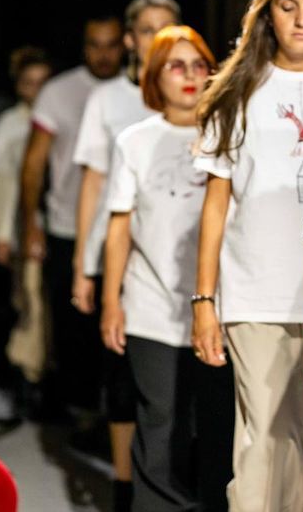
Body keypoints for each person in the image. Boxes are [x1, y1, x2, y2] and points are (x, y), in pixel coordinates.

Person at [192, 0, 303, 512]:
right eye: (288, 6)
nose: (302, 19)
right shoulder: (236, 94)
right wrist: (204, 301)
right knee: (262, 447)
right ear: (267, 14)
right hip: (256, 296)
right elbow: (215, 207)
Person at [100, 26, 234, 511]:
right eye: (176, 66)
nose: (190, 75)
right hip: (151, 303)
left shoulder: (227, 133)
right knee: (160, 423)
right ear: (156, 75)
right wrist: (111, 301)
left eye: (199, 64)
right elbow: (120, 227)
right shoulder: (135, 141)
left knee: (216, 426)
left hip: (220, 307)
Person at [71, 0, 180, 512]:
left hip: (174, 256)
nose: (157, 37)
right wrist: (83, 264)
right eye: (147, 28)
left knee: (172, 385)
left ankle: (167, 481)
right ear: (132, 39)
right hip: (118, 248)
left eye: (167, 26)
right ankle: (122, 486)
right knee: (121, 377)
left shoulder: (193, 89)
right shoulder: (109, 99)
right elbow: (93, 183)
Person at [18, 16, 124, 412]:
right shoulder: (59, 92)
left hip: (122, 230)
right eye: (95, 44)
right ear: (84, 47)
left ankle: (109, 414)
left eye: (111, 44)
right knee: (72, 328)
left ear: (124, 45)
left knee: (117, 328)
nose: (103, 54)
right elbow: (33, 165)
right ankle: (78, 412)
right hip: (67, 226)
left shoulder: (137, 90)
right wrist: (31, 224)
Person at [0, 47, 53, 390]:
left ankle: (45, 376)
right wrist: (1, 234)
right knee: (30, 302)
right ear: (18, 85)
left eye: (43, 82)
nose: (36, 89)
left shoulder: (64, 116)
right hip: (26, 228)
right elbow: (2, 186)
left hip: (60, 225)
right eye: (29, 82)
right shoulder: (9, 125)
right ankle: (29, 378)